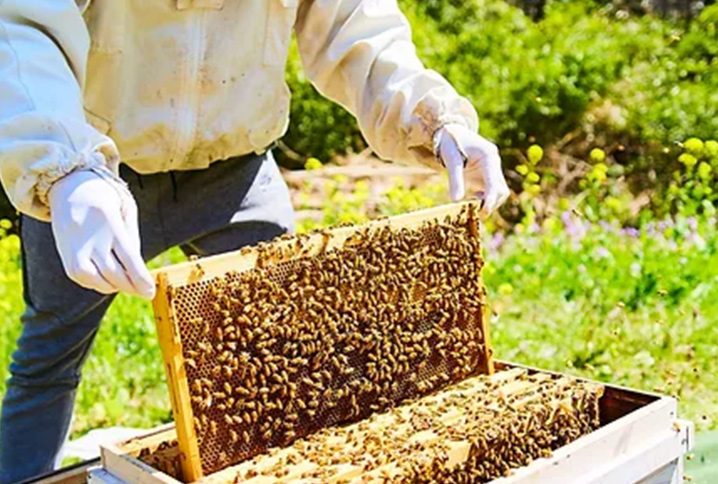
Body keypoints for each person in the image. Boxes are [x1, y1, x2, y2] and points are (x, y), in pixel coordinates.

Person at [0, 1, 509, 481]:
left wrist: (435, 119)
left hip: (235, 170)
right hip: (94, 175)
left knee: (291, 353)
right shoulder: (75, 171)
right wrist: (62, 167)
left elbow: (357, 23)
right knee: (50, 358)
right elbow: (22, 25)